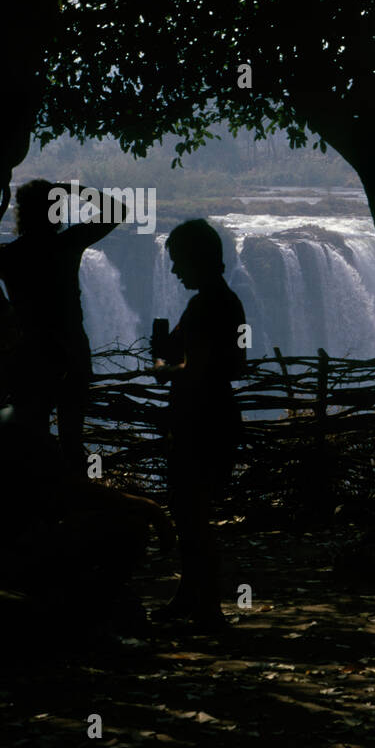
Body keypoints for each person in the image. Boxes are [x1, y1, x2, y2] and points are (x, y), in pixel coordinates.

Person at [0, 179, 129, 474]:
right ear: (57, 211)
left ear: (20, 213)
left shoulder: (6, 255)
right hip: (71, 350)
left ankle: (36, 503)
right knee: (71, 438)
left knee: (31, 434)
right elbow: (118, 210)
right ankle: (75, 501)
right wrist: (72, 189)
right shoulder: (68, 244)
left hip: (30, 352)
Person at [151, 218, 247, 632]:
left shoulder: (205, 305)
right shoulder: (230, 302)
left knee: (192, 515)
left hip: (198, 421)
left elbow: (187, 365)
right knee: (194, 513)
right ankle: (192, 597)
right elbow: (237, 363)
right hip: (219, 416)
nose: (174, 271)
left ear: (196, 258)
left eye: (178, 262)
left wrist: (164, 368)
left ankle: (207, 607)